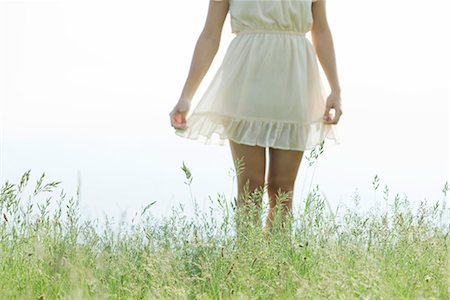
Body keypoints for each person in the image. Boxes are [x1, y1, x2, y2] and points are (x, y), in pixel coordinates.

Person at [169, 0, 342, 234]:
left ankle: (278, 266)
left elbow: (321, 29)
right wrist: (186, 96)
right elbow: (210, 35)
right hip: (246, 78)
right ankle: (245, 266)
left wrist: (335, 89)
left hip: (294, 79)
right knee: (250, 187)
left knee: (282, 190)